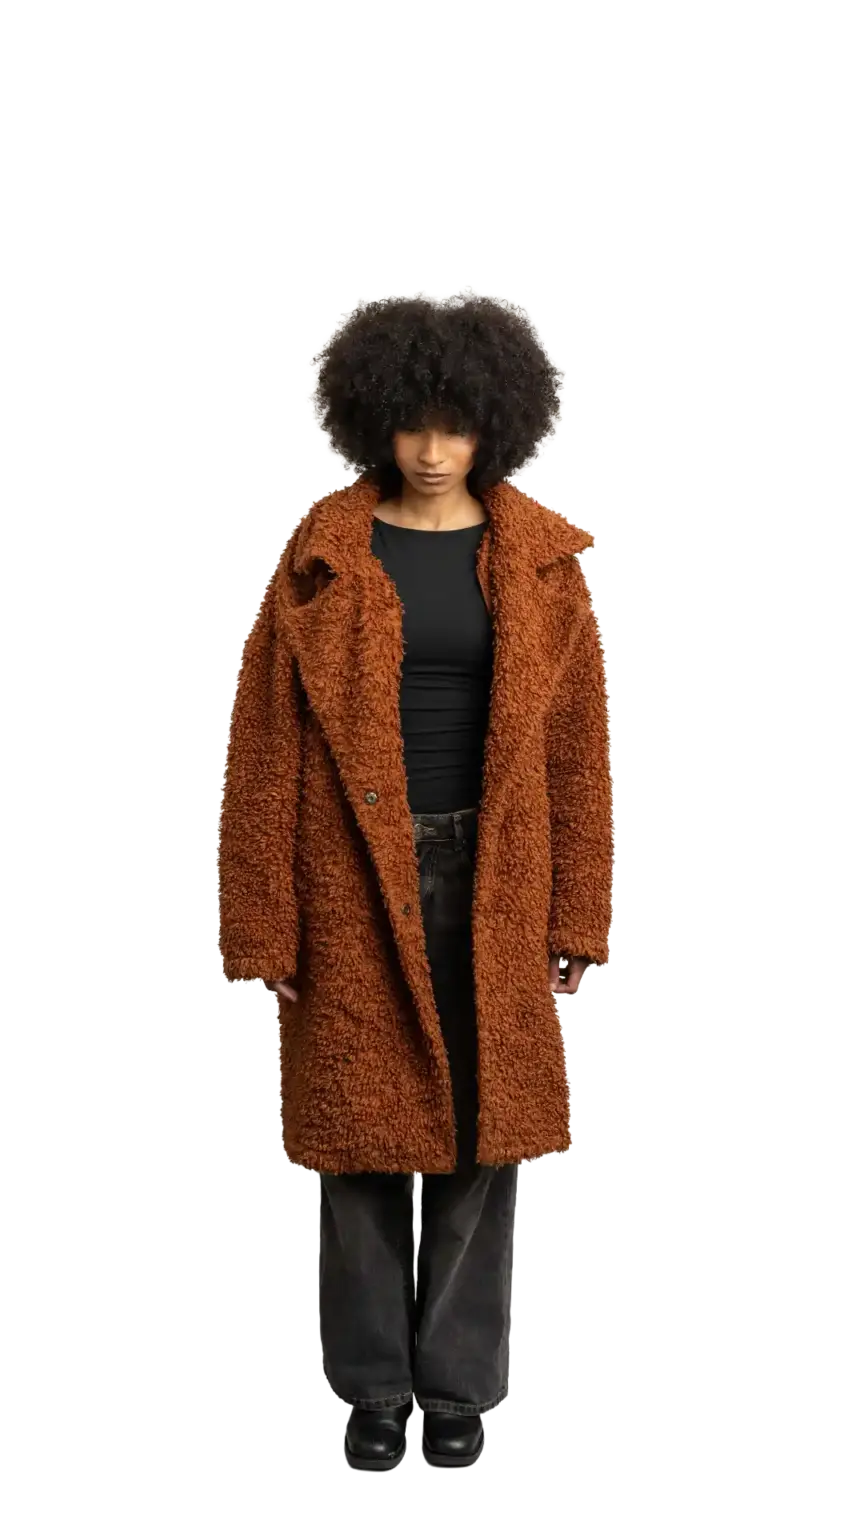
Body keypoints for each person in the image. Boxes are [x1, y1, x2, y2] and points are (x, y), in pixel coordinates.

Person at [217, 292, 615, 1472]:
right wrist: (263, 922)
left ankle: (459, 1394)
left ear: (498, 424)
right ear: (371, 420)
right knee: (356, 1144)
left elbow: (577, 754)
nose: (433, 451)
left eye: (456, 425)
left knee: (487, 1142)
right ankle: (372, 1393)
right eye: (412, 425)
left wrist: (577, 913)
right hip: (349, 877)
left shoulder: (543, 562)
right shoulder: (322, 556)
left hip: (498, 877)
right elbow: (264, 752)